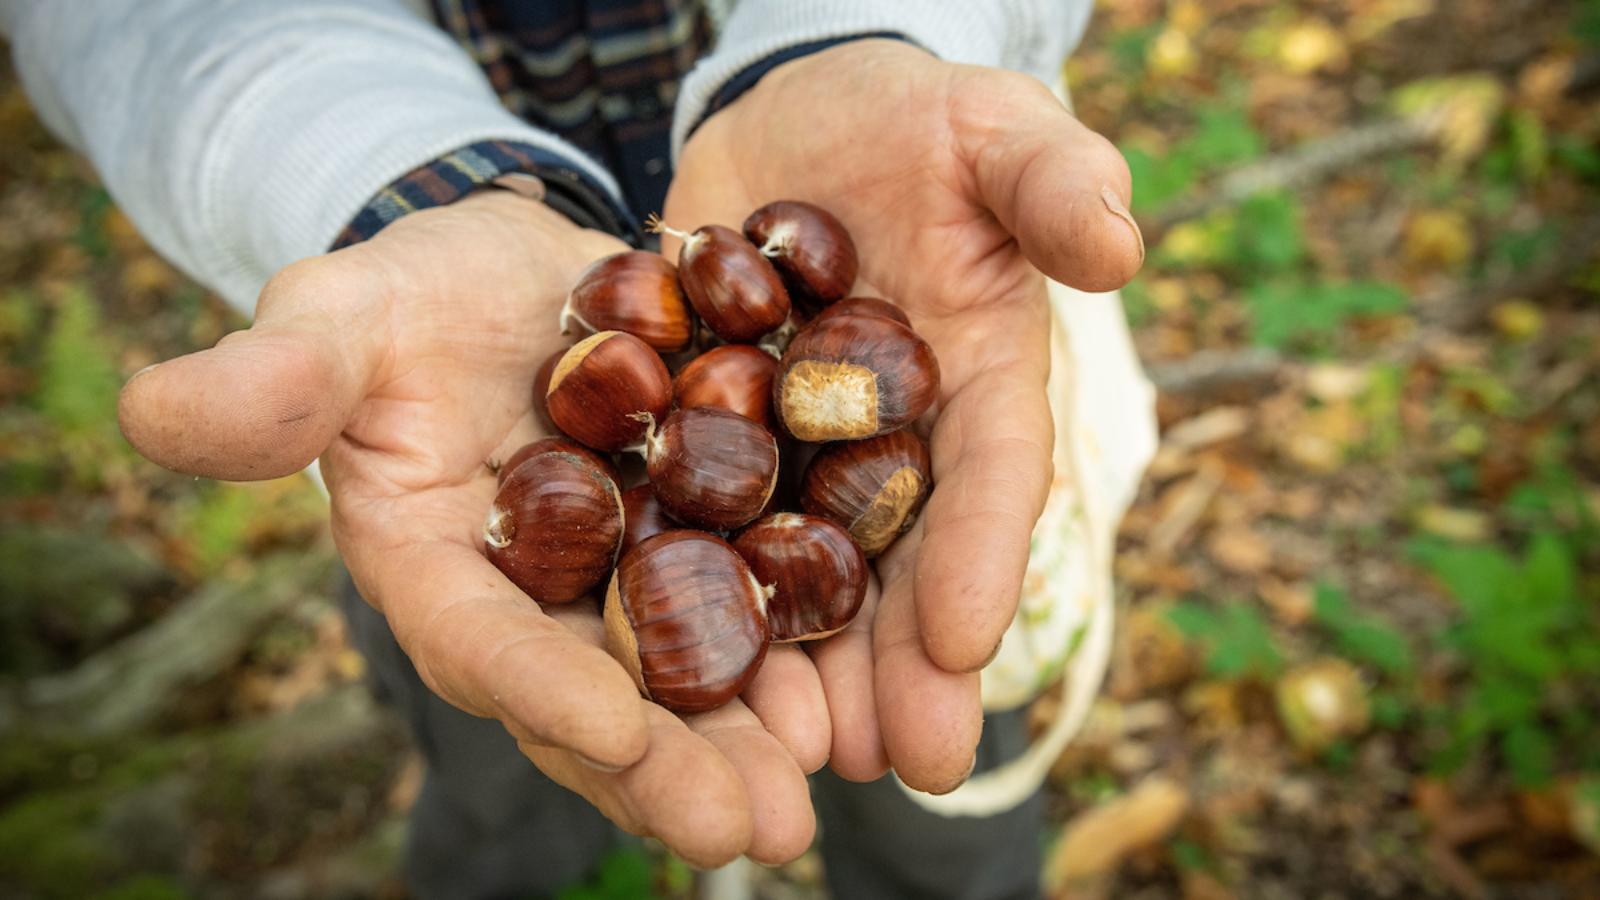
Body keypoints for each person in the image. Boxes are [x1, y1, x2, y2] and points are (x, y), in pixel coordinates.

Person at [0, 1, 1145, 896]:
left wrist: (865, 30)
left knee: (935, 786)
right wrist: (383, 187)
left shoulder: (751, 415)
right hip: (430, 437)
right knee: (513, 780)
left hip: (802, 243)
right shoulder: (678, 427)